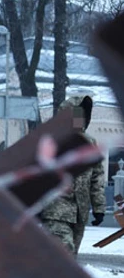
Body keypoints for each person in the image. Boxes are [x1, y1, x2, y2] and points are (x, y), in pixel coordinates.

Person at [39, 95, 106, 257]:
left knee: (69, 258)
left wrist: (99, 208)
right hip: (55, 210)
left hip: (79, 212)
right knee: (64, 251)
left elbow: (97, 177)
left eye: (82, 114)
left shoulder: (90, 142)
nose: (79, 118)